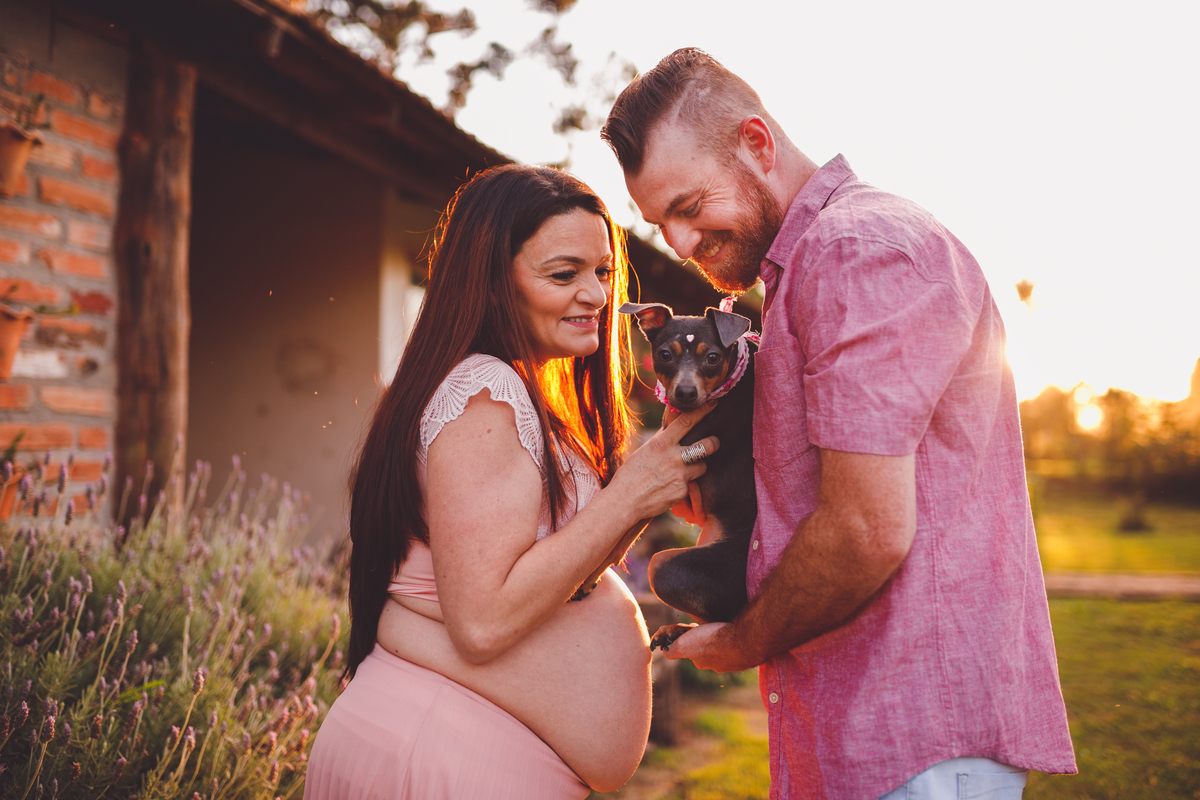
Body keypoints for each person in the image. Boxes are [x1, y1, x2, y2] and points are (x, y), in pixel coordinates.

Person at [600, 49, 1077, 799]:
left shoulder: (854, 253)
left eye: (689, 207)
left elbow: (865, 530)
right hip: (870, 725)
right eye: (663, 224)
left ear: (757, 144)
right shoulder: (805, 271)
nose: (682, 245)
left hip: (914, 733)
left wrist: (741, 642)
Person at [304, 165, 718, 799]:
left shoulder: (510, 388)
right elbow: (483, 623)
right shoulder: (485, 392)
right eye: (564, 274)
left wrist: (648, 488)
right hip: (443, 754)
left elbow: (552, 573)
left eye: (603, 271)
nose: (596, 294)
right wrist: (630, 495)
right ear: (494, 280)